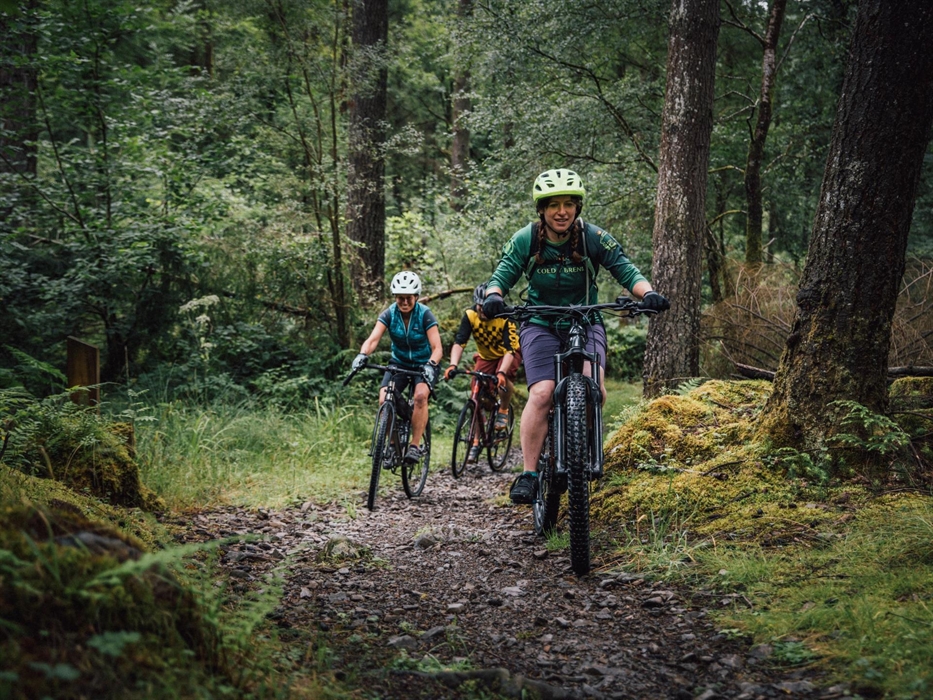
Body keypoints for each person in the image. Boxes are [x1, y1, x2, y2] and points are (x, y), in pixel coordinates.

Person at [481, 169, 669, 504]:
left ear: (577, 207)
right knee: (541, 393)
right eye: (554, 205)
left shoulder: (592, 236)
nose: (562, 211)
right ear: (542, 209)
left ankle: (583, 449)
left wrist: (648, 293)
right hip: (539, 321)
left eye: (569, 204)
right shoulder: (526, 238)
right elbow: (503, 273)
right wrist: (494, 295)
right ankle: (529, 473)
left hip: (585, 320)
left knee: (594, 388)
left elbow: (624, 268)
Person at [351, 271, 443, 464]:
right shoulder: (389, 314)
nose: (404, 302)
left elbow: (437, 348)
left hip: (424, 364)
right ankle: (393, 445)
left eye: (408, 298)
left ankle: (415, 446)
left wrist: (430, 365)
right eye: (400, 298)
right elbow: (373, 339)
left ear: (416, 297)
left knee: (419, 396)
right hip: (399, 363)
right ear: (395, 297)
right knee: (385, 398)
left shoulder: (425, 314)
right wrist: (362, 354)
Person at [444, 283, 523, 462]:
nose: (482, 311)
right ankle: (477, 441)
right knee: (476, 393)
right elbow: (460, 342)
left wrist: (502, 373)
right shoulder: (470, 315)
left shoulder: (505, 318)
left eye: (486, 308)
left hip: (507, 354)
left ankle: (503, 410)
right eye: (480, 307)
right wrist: (452, 364)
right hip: (485, 356)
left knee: (503, 379)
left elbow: (510, 350)